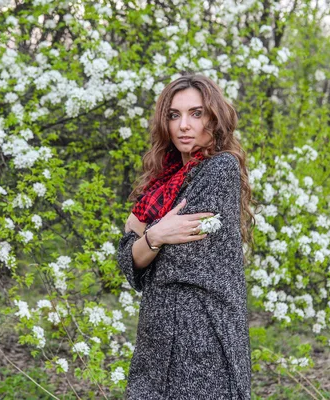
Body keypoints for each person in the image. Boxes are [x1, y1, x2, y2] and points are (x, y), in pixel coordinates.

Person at [117, 73, 255, 399]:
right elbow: (126, 260)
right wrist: (158, 236)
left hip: (204, 331)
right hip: (158, 332)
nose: (184, 125)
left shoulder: (220, 169)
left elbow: (184, 258)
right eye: (174, 115)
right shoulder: (162, 181)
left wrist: (147, 240)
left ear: (214, 117)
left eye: (196, 113)